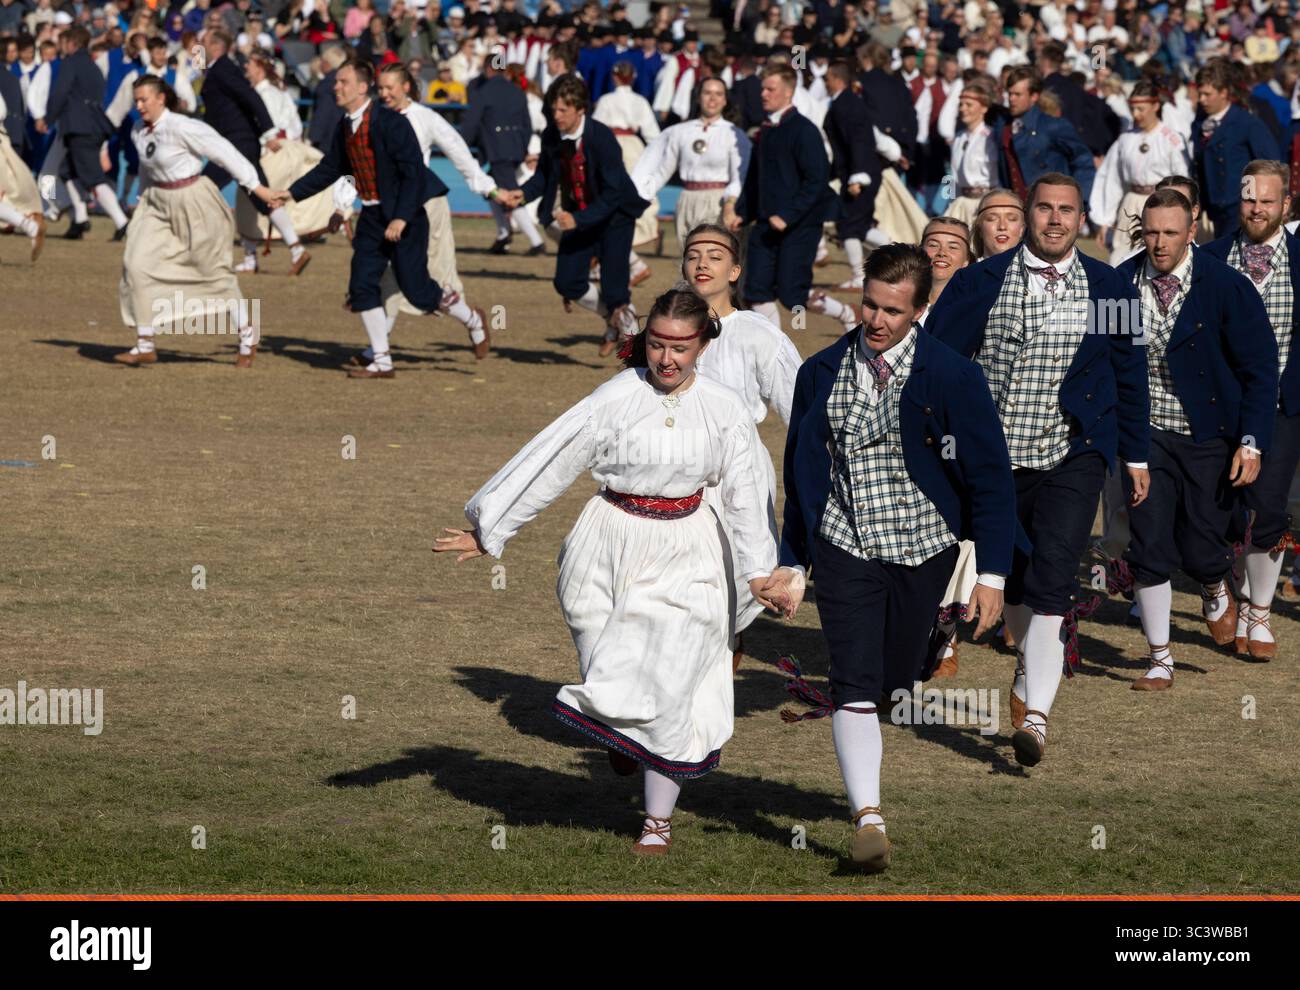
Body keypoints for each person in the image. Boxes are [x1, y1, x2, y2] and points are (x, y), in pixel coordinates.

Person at [434, 289, 779, 855]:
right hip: (606, 542)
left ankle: (656, 821)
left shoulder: (725, 409)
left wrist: (760, 572)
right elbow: (553, 458)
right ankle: (622, 732)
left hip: (688, 548)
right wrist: (489, 528)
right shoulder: (615, 397)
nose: (666, 358)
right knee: (609, 666)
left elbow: (745, 494)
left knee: (671, 680)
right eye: (657, 344)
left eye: (680, 347)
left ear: (702, 345)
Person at [761, 244, 1016, 871]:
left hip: (925, 549)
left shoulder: (953, 376)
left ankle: (923, 649)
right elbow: (801, 474)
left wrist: (991, 575)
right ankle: (868, 818)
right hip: (843, 544)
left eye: (893, 311)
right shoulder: (820, 371)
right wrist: (793, 560)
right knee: (851, 678)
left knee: (895, 684)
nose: (876, 320)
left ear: (919, 310)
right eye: (869, 305)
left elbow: (989, 477)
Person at [927, 173, 1151, 768]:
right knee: (1020, 578)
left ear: (1082, 219)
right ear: (1029, 216)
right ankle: (1029, 662)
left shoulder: (1109, 288)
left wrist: (1134, 455)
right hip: (993, 461)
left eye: (1066, 210)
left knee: (1054, 576)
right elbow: (937, 363)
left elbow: (1129, 374)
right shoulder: (980, 281)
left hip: (1073, 453)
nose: (1055, 219)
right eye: (1045, 209)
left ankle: (1038, 718)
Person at [1114, 187, 1277, 687]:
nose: (1159, 243)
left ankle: (1212, 584)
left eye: (1170, 232)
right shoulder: (1118, 285)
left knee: (1202, 546)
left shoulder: (1227, 286)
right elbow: (1105, 358)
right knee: (1149, 542)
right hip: (1144, 434)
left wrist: (1251, 440)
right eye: (1151, 232)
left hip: (1209, 434)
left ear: (1191, 232)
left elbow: (1260, 368)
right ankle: (1159, 658)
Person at [269, 59, 448, 379]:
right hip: (372, 217)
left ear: (363, 88)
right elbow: (331, 169)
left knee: (418, 292)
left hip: (406, 217)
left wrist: (401, 218)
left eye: (343, 82)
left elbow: (413, 175)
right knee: (362, 285)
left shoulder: (392, 123)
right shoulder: (344, 125)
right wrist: (292, 193)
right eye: (336, 81)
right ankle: (382, 360)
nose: (336, 86)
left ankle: (471, 318)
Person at [682, 222, 801, 664]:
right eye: (693, 255)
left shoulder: (757, 333)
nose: (702, 264)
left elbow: (799, 407)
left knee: (732, 572)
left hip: (736, 472)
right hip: (672, 468)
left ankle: (727, 646)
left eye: (715, 257)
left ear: (734, 271)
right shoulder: (667, 325)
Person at [113, 75, 278, 368]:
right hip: (157, 203)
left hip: (193, 201)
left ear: (160, 98)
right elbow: (147, 170)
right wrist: (140, 202)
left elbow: (225, 153)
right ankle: (145, 344)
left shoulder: (182, 126)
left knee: (213, 271)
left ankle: (247, 334)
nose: (139, 106)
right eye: (136, 100)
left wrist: (258, 188)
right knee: (136, 264)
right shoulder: (138, 130)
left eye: (144, 99)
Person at [1204, 160, 1300, 660]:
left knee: (1267, 508)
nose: (1257, 208)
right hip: (1218, 406)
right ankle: (1222, 592)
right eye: (1249, 199)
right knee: (1215, 508)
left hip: (1284, 405)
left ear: (1286, 204)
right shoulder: (1209, 258)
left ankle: (1258, 610)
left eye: (1267, 200)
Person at [372, 63, 507, 361]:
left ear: (406, 87)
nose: (383, 93)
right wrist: (343, 204)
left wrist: (491, 190)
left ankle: (473, 320)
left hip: (426, 207)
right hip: (391, 209)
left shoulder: (425, 118)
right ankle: (379, 350)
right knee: (388, 276)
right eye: (379, 88)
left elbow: (459, 153)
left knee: (434, 277)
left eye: (389, 87)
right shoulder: (375, 117)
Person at [519, 75, 648, 357]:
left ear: (580, 109)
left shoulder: (602, 138)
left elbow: (613, 193)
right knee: (567, 282)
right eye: (554, 109)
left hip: (615, 217)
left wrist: (579, 219)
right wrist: (521, 194)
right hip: (579, 215)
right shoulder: (551, 135)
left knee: (615, 291)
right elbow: (543, 177)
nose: (556, 115)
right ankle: (613, 318)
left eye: (563, 109)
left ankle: (635, 346)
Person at [724, 63, 836, 330]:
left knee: (792, 295)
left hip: (801, 225)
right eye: (762, 88)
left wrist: (787, 215)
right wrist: (743, 213)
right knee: (755, 290)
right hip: (766, 225)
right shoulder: (765, 130)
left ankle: (845, 313)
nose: (763, 94)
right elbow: (755, 179)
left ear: (788, 92)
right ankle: (773, 347)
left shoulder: (805, 130)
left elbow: (817, 181)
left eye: (770, 89)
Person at [199, 30, 310, 276]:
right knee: (260, 196)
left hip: (235, 144)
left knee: (202, 189)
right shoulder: (218, 68)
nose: (199, 46)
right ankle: (294, 249)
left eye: (203, 43)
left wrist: (269, 132)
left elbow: (250, 97)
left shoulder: (223, 68)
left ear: (216, 46)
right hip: (237, 142)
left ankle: (194, 249)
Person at [632, 76, 750, 251]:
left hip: (717, 201)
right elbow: (662, 171)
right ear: (698, 97)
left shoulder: (734, 134)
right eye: (707, 93)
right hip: (687, 199)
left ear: (725, 100)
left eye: (718, 94)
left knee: (712, 257)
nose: (712, 98)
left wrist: (729, 205)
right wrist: (639, 197)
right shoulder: (680, 131)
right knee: (688, 258)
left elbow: (739, 177)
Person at [36, 25, 129, 240]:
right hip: (91, 126)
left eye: (63, 42)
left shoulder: (69, 63)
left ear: (72, 43)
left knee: (90, 176)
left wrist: (47, 119)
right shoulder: (92, 66)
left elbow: (60, 93)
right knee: (67, 172)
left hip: (78, 127)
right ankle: (79, 219)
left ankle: (121, 222)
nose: (61, 47)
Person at [1091, 81, 1191, 266]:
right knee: (1121, 259)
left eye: (1141, 109)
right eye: (1132, 109)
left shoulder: (1171, 138)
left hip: (1162, 203)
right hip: (1131, 205)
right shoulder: (1125, 139)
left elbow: (1182, 179)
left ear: (1155, 106)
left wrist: (1181, 211)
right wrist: (1104, 220)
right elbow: (1111, 179)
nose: (1136, 114)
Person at [458, 53, 544, 256]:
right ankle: (503, 234)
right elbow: (526, 125)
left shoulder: (483, 92)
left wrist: (460, 145)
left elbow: (472, 123)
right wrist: (522, 149)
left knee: (509, 194)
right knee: (492, 190)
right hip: (515, 147)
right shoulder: (517, 92)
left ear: (488, 69)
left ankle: (536, 241)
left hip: (496, 148)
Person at [1192, 59, 1280, 238]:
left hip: (1241, 209)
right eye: (1200, 94)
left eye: (1207, 94)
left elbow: (1271, 165)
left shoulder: (1246, 122)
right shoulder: (1200, 123)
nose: (1201, 100)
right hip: (1214, 210)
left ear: (1223, 92)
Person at [592, 60, 660, 281]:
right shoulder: (640, 101)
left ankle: (615, 251)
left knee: (606, 195)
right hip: (634, 147)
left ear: (614, 77)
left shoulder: (606, 100)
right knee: (634, 193)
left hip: (612, 145)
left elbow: (595, 130)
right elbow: (653, 134)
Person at [995, 67, 1095, 205]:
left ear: (1034, 96)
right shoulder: (1003, 126)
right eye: (1009, 93)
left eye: (1017, 94)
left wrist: (1078, 201)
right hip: (1016, 208)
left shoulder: (1053, 125)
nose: (1011, 99)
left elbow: (1084, 161)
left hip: (1052, 206)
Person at [943, 76, 998, 226]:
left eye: (969, 105)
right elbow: (952, 176)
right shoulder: (959, 137)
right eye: (961, 104)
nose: (962, 109)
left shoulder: (990, 137)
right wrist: (950, 201)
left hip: (984, 203)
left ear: (984, 108)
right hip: (961, 202)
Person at [0, 64, 42, 260]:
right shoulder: (15, 72)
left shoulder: (43, 69)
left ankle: (50, 209)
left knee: (47, 174)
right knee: (48, 172)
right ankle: (32, 222)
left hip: (42, 133)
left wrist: (42, 118)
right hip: (28, 134)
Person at [970, 187, 1025, 260]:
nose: (1002, 226)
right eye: (992, 219)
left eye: (1011, 219)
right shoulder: (965, 268)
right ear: (980, 229)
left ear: (1022, 229)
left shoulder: (1037, 266)